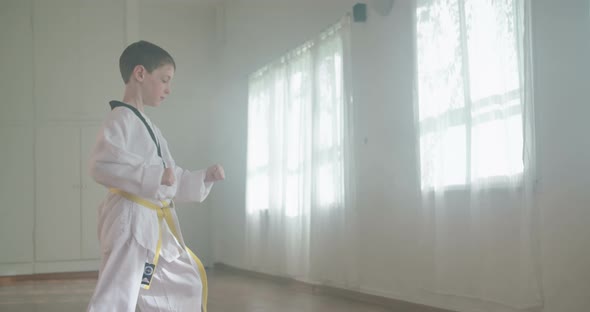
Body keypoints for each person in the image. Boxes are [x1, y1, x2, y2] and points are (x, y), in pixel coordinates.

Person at [86, 40, 224, 312]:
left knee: (184, 283)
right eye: (164, 79)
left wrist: (202, 178)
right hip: (129, 221)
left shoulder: (150, 126)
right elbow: (101, 164)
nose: (168, 89)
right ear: (140, 74)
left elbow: (171, 177)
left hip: (153, 224)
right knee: (119, 292)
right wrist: (154, 176)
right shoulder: (120, 119)